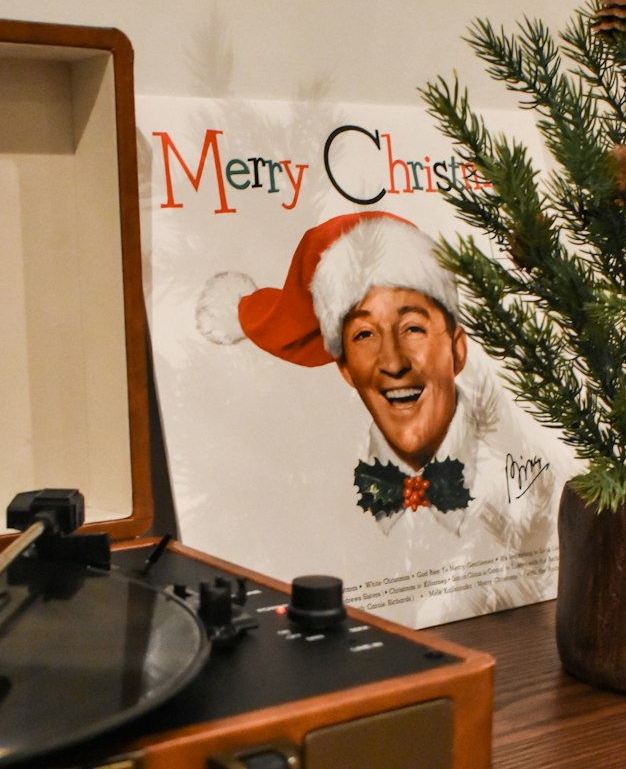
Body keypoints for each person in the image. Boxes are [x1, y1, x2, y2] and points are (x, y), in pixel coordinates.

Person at [196, 210, 556, 536]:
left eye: (413, 328)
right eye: (364, 335)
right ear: (347, 371)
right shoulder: (319, 498)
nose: (393, 362)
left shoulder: (528, 480)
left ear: (456, 349)